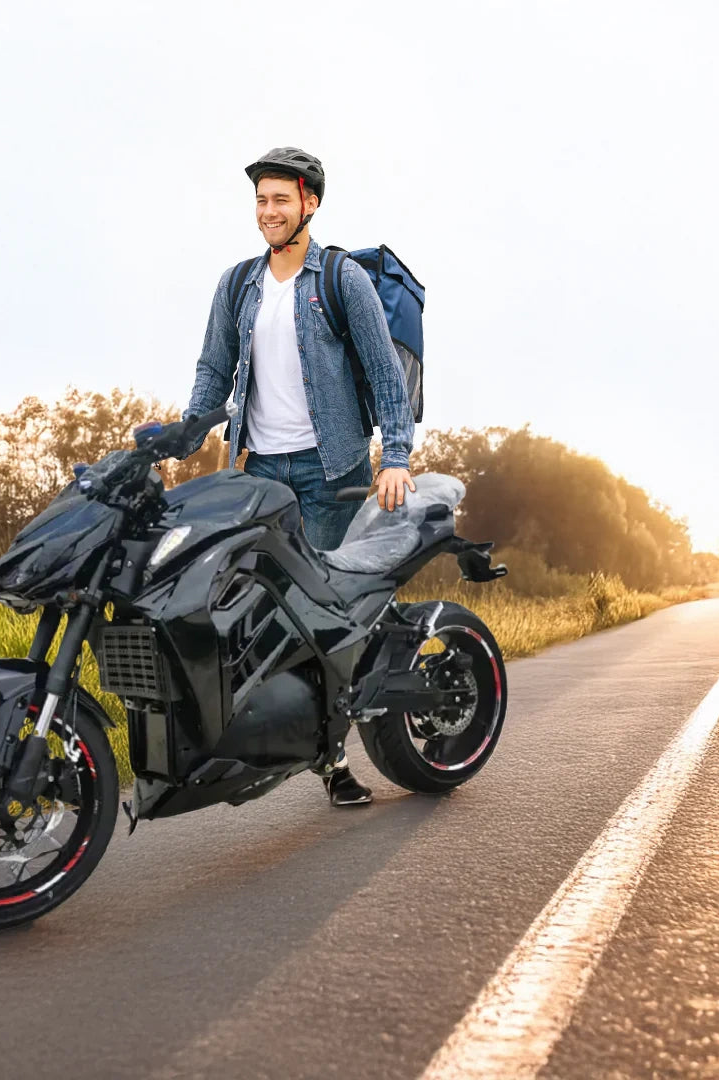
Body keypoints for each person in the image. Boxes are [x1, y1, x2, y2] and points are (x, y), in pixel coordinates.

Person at [182, 146, 416, 807]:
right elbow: (212, 370)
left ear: (309, 203)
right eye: (260, 200)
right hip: (257, 472)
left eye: (280, 199)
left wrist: (394, 456)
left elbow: (381, 371)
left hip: (329, 469)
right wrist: (186, 428)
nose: (268, 212)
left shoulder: (341, 280)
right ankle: (271, 739)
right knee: (258, 611)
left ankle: (337, 763)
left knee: (325, 619)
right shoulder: (238, 284)